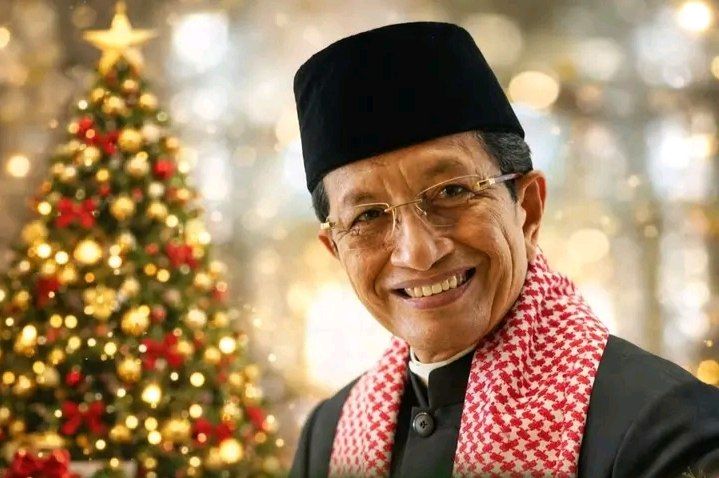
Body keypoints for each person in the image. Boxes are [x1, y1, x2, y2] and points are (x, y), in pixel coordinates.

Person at [289, 22, 719, 477]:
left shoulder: (663, 426)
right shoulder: (329, 436)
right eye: (368, 216)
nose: (418, 252)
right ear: (336, 250)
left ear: (528, 209)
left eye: (452, 191)